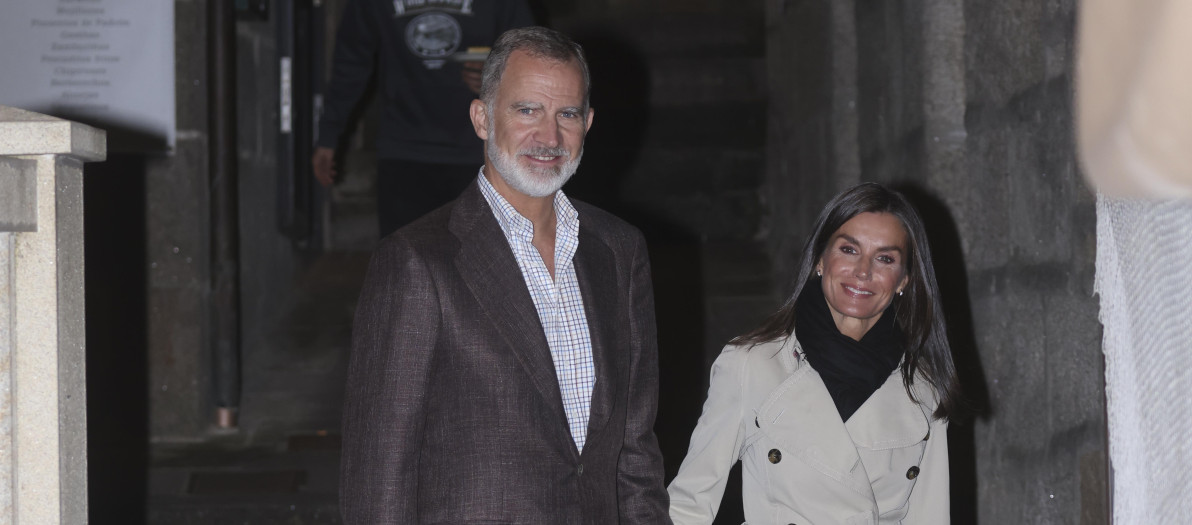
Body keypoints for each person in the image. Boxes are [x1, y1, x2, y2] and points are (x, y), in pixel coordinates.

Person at [340, 27, 672, 523]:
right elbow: (379, 477)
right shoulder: (416, 261)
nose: (550, 136)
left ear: (589, 122)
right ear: (482, 118)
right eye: (526, 110)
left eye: (567, 114)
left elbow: (635, 450)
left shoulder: (620, 250)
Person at [667, 183, 962, 524]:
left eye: (885, 258)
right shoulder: (751, 364)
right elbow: (688, 505)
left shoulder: (923, 388)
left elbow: (931, 515)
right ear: (821, 259)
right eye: (849, 250)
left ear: (904, 280)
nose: (863, 271)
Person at [313, 0, 534, 237]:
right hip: (403, 148)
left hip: (482, 149)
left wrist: (498, 78)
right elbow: (351, 62)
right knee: (403, 263)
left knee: (480, 263)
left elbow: (532, 54)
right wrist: (328, 135)